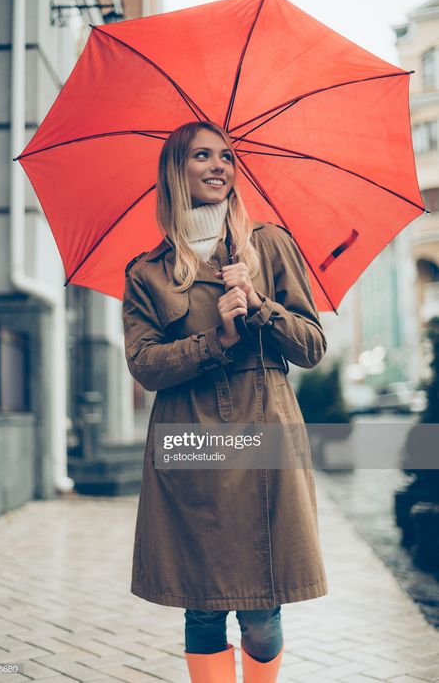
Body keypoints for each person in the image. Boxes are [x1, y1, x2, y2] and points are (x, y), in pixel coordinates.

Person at [122, 121, 328, 683]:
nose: (219, 166)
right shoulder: (148, 271)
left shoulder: (268, 244)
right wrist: (217, 342)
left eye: (227, 157)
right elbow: (143, 365)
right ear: (176, 171)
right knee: (203, 605)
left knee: (262, 609)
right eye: (202, 156)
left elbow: (311, 346)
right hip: (190, 434)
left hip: (265, 426)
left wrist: (260, 304)